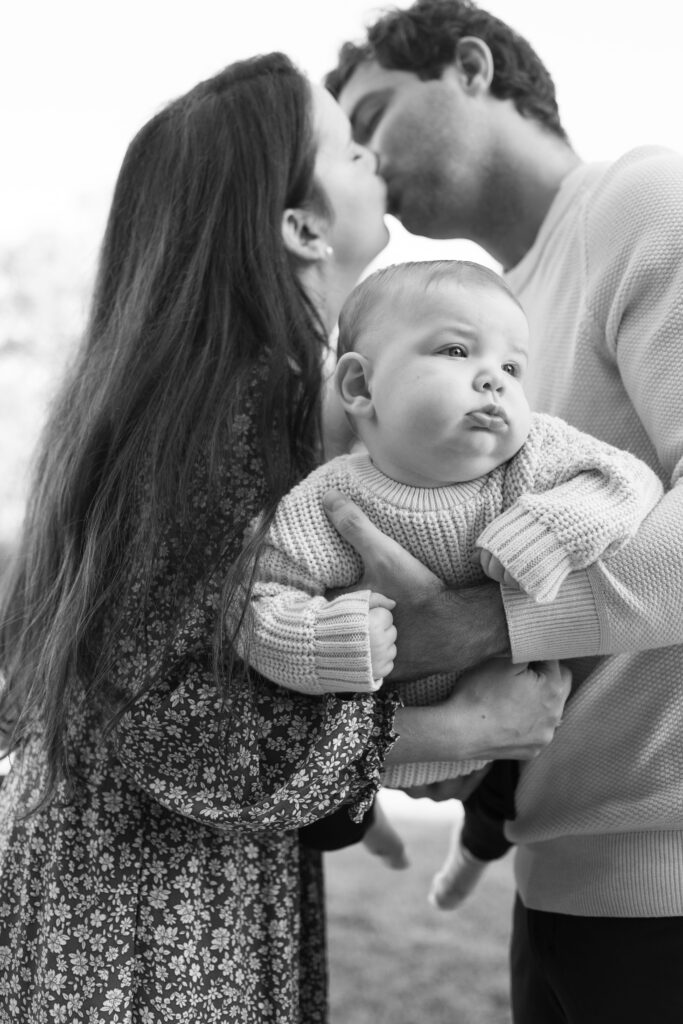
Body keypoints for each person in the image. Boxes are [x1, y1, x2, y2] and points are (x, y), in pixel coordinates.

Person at [0, 52, 572, 1024]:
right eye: (349, 149)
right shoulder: (237, 406)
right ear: (302, 226)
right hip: (143, 924)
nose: (375, 158)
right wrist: (457, 728)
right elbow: (177, 723)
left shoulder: (215, 389)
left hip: (162, 893)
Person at [326, 2, 683, 1021]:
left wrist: (479, 624)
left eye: (374, 119)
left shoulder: (641, 202)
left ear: (471, 68)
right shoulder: (489, 319)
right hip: (559, 880)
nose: (364, 163)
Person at [237, 257, 660, 906]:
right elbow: (259, 602)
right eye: (456, 351)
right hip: (383, 739)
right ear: (360, 386)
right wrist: (330, 641)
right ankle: (377, 833)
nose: (493, 378)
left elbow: (628, 481)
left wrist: (550, 528)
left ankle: (467, 858)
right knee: (326, 818)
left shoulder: (531, 457)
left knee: (512, 797)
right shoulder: (328, 499)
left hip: (516, 724)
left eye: (512, 367)